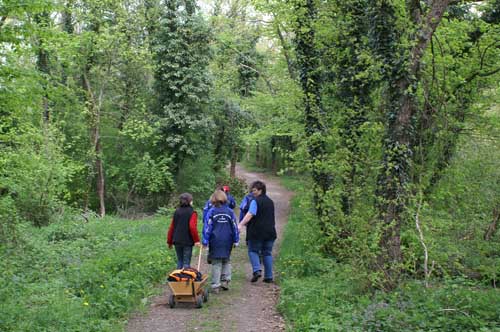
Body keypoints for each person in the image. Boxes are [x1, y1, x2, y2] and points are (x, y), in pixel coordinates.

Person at [238, 180, 276, 283]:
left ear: (260, 190)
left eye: (254, 190)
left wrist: (240, 224)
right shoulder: (270, 202)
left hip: (256, 232)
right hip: (270, 232)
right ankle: (268, 277)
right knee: (267, 253)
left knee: (253, 251)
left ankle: (257, 270)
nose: (252, 192)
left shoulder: (255, 201)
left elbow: (250, 214)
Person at [203, 190, 239, 293]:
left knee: (216, 262)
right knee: (226, 260)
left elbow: (207, 227)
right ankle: (225, 281)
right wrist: (236, 240)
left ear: (213, 199)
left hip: (215, 240)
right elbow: (234, 227)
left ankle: (215, 285)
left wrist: (205, 240)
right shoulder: (230, 212)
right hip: (228, 240)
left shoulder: (212, 212)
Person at [167, 193, 200, 269]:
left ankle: (177, 279)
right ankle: (185, 279)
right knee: (186, 263)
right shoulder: (192, 212)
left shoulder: (176, 211)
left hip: (177, 240)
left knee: (180, 261)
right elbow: (192, 227)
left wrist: (169, 241)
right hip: (187, 241)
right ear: (190, 201)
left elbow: (172, 227)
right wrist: (196, 240)